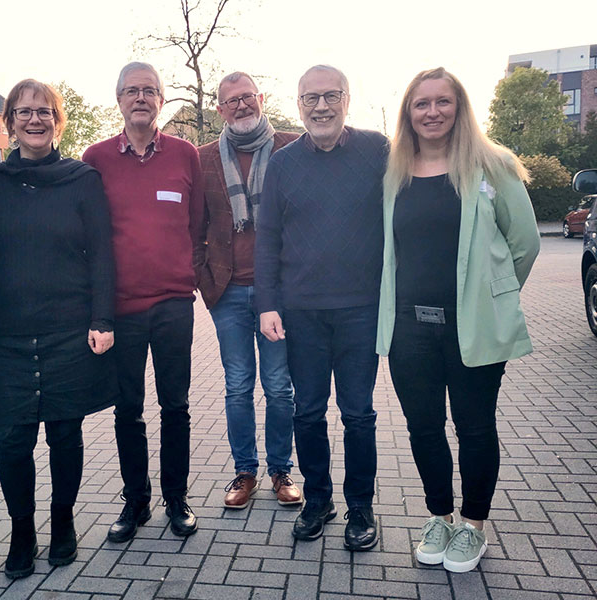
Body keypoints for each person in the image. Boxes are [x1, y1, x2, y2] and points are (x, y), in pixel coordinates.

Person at [376, 67, 539, 572]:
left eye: (442, 101)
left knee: (474, 427)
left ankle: (473, 526)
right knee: (424, 428)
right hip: (409, 328)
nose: (432, 112)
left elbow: (526, 243)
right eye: (421, 103)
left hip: (472, 326)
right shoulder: (395, 172)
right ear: (408, 112)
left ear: (459, 106)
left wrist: (492, 299)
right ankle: (440, 517)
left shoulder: (493, 165)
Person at [0, 79, 117, 578]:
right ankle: (22, 530)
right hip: (8, 335)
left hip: (68, 329)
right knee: (12, 439)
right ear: (10, 122)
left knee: (65, 433)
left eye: (44, 112)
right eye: (24, 112)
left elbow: (102, 254)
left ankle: (63, 521)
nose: (34, 120)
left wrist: (102, 318)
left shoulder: (82, 179)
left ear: (57, 121)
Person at [255, 65, 389, 548]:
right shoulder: (283, 164)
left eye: (331, 96)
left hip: (361, 310)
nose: (321, 107)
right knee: (308, 413)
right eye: (310, 98)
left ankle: (360, 508)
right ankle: (318, 501)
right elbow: (267, 239)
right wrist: (267, 304)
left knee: (358, 415)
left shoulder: (377, 151)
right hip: (302, 313)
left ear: (347, 99)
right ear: (298, 105)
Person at [82, 62, 204, 542]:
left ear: (161, 100)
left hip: (174, 303)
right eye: (132, 90)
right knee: (127, 409)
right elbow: (90, 234)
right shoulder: (95, 158)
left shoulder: (185, 154)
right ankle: (136, 501)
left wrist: (186, 273)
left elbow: (196, 223)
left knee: (176, 405)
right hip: (121, 308)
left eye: (149, 90)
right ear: (118, 99)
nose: (140, 98)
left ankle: (177, 498)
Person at [196, 71, 301, 509]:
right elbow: (195, 224)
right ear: (220, 109)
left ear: (260, 98)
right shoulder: (203, 158)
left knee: (278, 386)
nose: (241, 105)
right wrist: (204, 279)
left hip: (277, 292)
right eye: (231, 101)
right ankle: (245, 471)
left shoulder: (291, 148)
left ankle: (281, 470)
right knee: (238, 385)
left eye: (247, 97)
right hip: (229, 292)